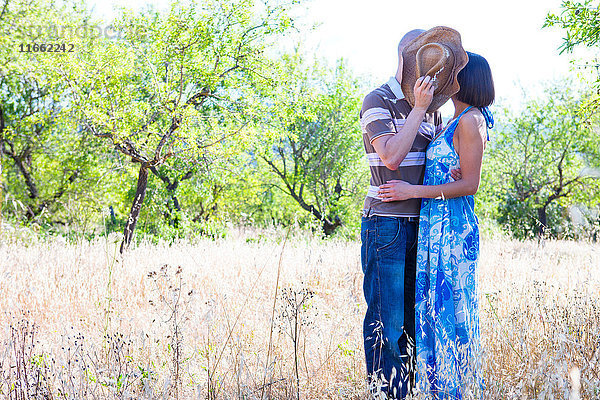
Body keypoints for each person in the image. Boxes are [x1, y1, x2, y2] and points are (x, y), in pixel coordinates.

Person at [377, 51, 495, 398]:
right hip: (436, 225)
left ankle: (454, 391)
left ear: (466, 79)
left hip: (452, 229)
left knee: (451, 310)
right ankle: (436, 390)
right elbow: (456, 172)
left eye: (455, 71)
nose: (447, 76)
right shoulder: (454, 119)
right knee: (433, 307)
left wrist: (411, 189)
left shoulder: (471, 120)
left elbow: (470, 185)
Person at [360, 27, 468, 399]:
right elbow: (390, 157)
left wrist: (449, 169)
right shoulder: (378, 99)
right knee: (386, 324)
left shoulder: (435, 112)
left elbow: (433, 162)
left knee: (413, 322)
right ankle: (385, 395)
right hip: (386, 225)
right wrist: (418, 108)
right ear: (407, 61)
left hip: (424, 227)